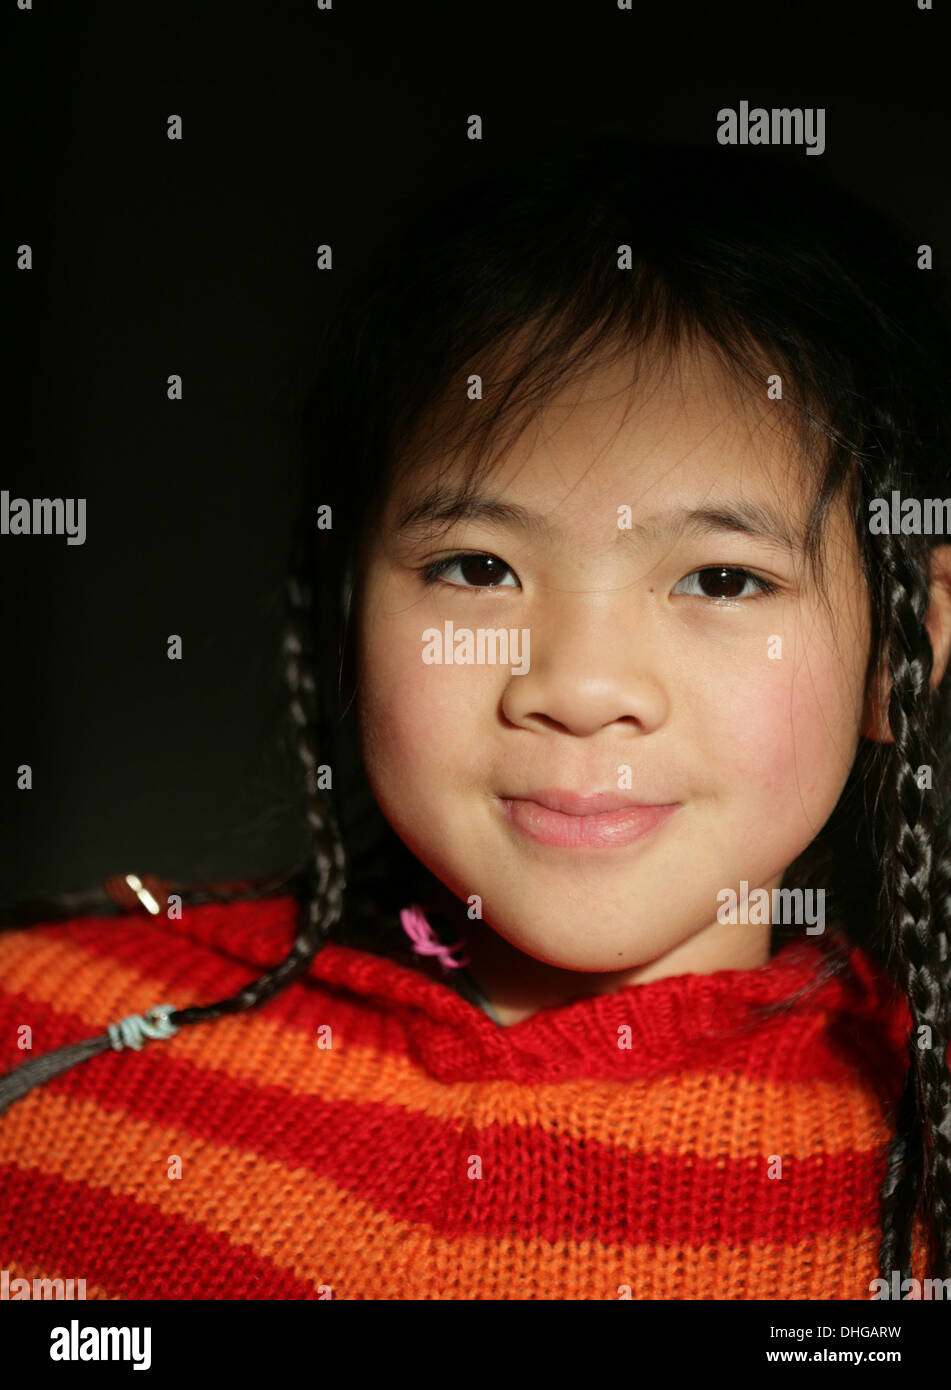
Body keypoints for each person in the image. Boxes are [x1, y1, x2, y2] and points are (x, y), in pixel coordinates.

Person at [2, 135, 950, 1300]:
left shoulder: (926, 1168)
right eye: (477, 565)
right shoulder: (41, 1035)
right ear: (349, 594)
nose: (580, 685)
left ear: (906, 643)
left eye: (721, 579)